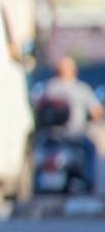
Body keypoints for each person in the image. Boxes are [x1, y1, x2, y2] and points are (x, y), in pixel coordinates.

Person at [41, 56, 104, 191]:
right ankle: (89, 183)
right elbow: (96, 112)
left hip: (51, 135)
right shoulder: (81, 89)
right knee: (91, 150)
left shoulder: (49, 87)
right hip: (75, 135)